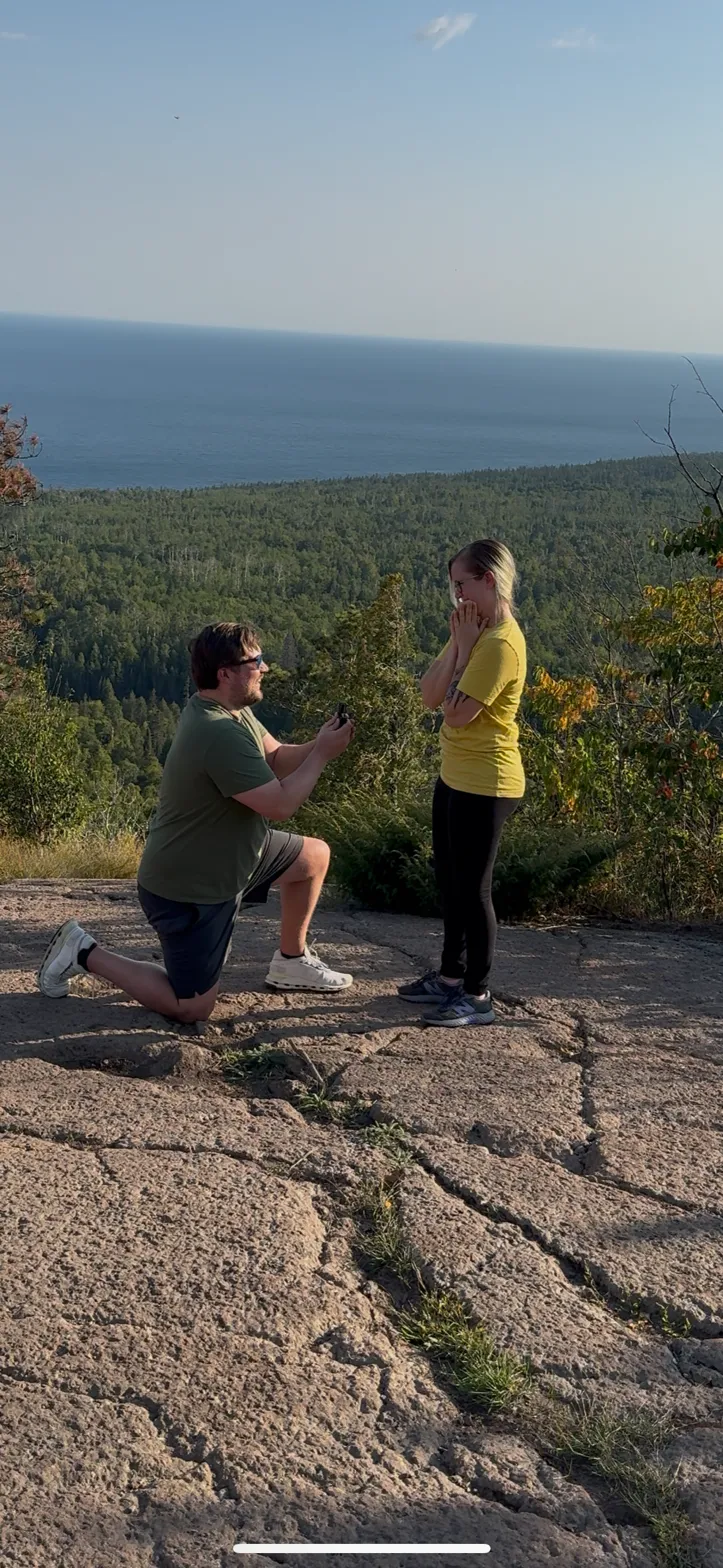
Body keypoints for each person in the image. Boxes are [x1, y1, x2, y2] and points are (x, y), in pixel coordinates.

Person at [38, 621, 355, 1021]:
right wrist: (323, 755)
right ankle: (83, 950)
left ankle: (291, 961)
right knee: (191, 1007)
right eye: (255, 660)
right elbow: (279, 805)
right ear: (225, 673)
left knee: (313, 857)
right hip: (191, 887)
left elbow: (274, 757)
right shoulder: (217, 730)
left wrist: (321, 742)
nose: (265, 667)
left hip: (233, 855)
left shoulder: (228, 711)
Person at [398, 539, 526, 1028]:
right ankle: (449, 979)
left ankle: (476, 994)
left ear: (488, 581)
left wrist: (467, 647)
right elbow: (429, 694)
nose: (455, 596)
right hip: (456, 776)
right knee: (450, 882)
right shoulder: (473, 632)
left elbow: (455, 714)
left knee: (474, 889)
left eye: (462, 584)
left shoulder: (499, 644)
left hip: (488, 782)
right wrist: (457, 644)